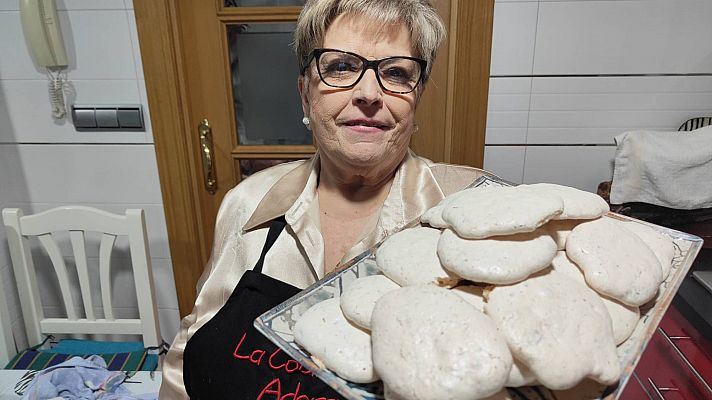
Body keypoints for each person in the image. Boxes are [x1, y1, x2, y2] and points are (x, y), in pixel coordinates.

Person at [159, 0, 492, 398]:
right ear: (305, 94)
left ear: (416, 97)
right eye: (340, 67)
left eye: (397, 73)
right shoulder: (248, 202)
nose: (369, 93)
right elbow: (190, 349)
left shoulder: (469, 214)